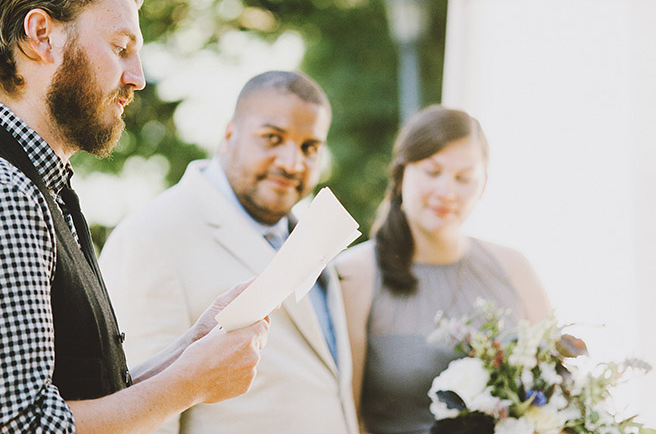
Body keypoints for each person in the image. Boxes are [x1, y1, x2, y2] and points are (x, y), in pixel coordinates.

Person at [0, 0, 270, 434]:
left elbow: (73, 402)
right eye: (120, 47)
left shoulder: (31, 185)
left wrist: (190, 351)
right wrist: (191, 383)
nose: (138, 78)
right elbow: (17, 429)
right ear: (42, 35)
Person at [99, 70, 359, 434]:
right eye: (272, 138)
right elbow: (139, 413)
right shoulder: (152, 236)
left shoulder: (309, 237)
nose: (292, 162)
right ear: (229, 135)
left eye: (309, 147)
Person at [335, 105, 550, 434]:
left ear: (484, 183)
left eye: (464, 178)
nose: (447, 192)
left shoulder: (514, 268)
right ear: (401, 173)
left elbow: (554, 391)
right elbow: (344, 416)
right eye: (432, 172)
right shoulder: (355, 273)